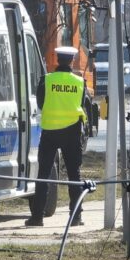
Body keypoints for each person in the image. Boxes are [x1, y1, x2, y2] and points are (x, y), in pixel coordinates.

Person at [27, 46, 86, 227]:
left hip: (50, 131)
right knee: (74, 175)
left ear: (57, 59)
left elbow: (40, 103)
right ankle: (75, 217)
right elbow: (82, 103)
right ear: (72, 61)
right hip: (72, 132)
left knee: (43, 174)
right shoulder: (79, 82)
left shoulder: (46, 80)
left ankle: (37, 217)